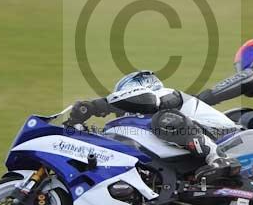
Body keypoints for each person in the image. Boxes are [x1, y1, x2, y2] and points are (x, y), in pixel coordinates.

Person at [65, 70, 240, 181]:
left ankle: (217, 158)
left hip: (226, 137)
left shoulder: (166, 95)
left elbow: (147, 101)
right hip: (194, 149)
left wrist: (95, 106)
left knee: (163, 120)